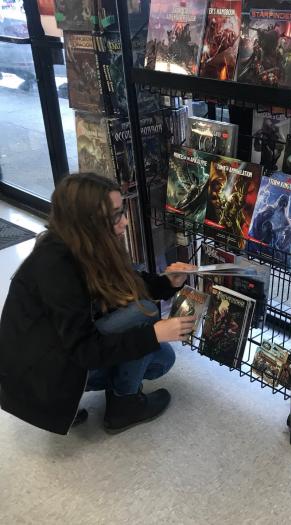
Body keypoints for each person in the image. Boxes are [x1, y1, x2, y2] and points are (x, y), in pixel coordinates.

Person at [0, 173, 197, 435]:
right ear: (87, 221)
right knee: (146, 316)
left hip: (55, 354)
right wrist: (153, 334)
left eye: (122, 212)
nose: (125, 221)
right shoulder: (56, 267)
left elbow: (128, 284)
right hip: (38, 378)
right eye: (116, 215)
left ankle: (112, 394)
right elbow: (85, 350)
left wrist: (169, 282)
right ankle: (123, 405)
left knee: (161, 359)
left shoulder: (81, 243)